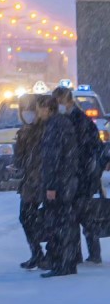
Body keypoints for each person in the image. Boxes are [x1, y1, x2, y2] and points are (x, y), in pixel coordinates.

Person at [52, 85, 104, 265]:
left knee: (84, 215)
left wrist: (83, 166)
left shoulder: (79, 119)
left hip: (82, 175)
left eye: (59, 101)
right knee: (72, 216)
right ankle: (77, 254)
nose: (58, 105)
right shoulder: (61, 119)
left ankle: (93, 252)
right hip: (71, 175)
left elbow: (91, 146)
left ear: (68, 101)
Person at [37, 92, 80, 277]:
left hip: (59, 184)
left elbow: (53, 159)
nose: (38, 113)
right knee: (64, 224)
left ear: (47, 108)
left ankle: (61, 264)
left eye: (39, 109)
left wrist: (51, 186)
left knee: (57, 225)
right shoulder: (62, 123)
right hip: (67, 182)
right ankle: (65, 262)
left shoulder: (55, 126)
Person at [14, 95, 47, 269]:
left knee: (45, 218)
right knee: (26, 217)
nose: (27, 114)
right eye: (23, 110)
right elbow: (20, 158)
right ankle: (37, 252)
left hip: (44, 181)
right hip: (29, 182)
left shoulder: (44, 129)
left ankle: (47, 254)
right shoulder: (24, 131)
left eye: (30, 110)